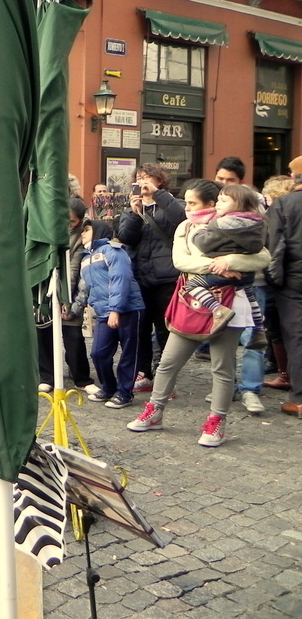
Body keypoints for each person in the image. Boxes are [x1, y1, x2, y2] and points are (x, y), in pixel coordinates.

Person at [127, 180, 270, 446]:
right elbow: (180, 261)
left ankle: (217, 422)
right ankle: (155, 410)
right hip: (191, 300)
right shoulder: (186, 226)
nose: (187, 207)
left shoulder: (236, 222)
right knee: (168, 361)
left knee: (222, 367)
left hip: (229, 304)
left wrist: (230, 261)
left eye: (193, 203)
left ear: (212, 203)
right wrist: (216, 266)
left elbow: (262, 257)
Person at [115, 164, 186, 391]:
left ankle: (166, 377)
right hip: (140, 276)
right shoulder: (131, 209)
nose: (142, 181)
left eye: (147, 177)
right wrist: (136, 214)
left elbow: (181, 221)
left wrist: (159, 195)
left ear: (159, 181)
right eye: (139, 178)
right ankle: (143, 372)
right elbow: (126, 237)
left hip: (167, 277)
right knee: (140, 328)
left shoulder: (171, 204)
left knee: (165, 329)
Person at [67, 220, 144, 408]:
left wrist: (115, 310)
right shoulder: (86, 258)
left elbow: (120, 280)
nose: (83, 234)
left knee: (128, 353)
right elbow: (86, 289)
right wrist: (74, 308)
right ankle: (109, 387)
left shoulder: (114, 251)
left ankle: (125, 393)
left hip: (128, 310)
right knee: (98, 353)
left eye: (87, 230)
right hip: (102, 312)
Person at [180, 184, 266, 339]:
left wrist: (197, 233)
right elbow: (262, 251)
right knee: (250, 295)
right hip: (247, 274)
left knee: (191, 285)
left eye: (223, 201)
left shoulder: (221, 224)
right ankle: (259, 329)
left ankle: (218, 310)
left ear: (238, 205)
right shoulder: (258, 223)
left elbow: (205, 244)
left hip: (220, 276)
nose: (218, 203)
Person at [40, 197, 98, 394]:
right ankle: (46, 375)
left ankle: (81, 377)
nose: (67, 224)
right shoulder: (48, 227)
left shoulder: (82, 236)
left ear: (80, 221)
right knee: (44, 332)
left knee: (73, 336)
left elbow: (73, 268)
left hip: (70, 292)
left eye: (72, 221)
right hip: (45, 287)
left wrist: (65, 297)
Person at [265, 158, 302, 418]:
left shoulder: (284, 204)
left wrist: (272, 280)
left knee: (296, 337)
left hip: (293, 279)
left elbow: (272, 243)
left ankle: (299, 399)